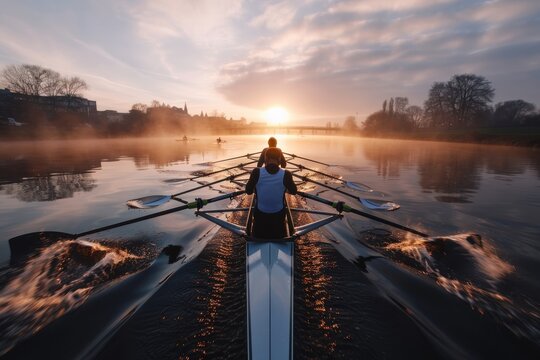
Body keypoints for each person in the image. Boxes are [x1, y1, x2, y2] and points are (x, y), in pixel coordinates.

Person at [246, 147, 297, 239]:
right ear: (279, 159)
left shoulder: (256, 172)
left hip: (260, 216)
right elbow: (294, 191)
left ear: (266, 159)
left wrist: (257, 186)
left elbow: (248, 191)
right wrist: (284, 187)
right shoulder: (287, 174)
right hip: (278, 217)